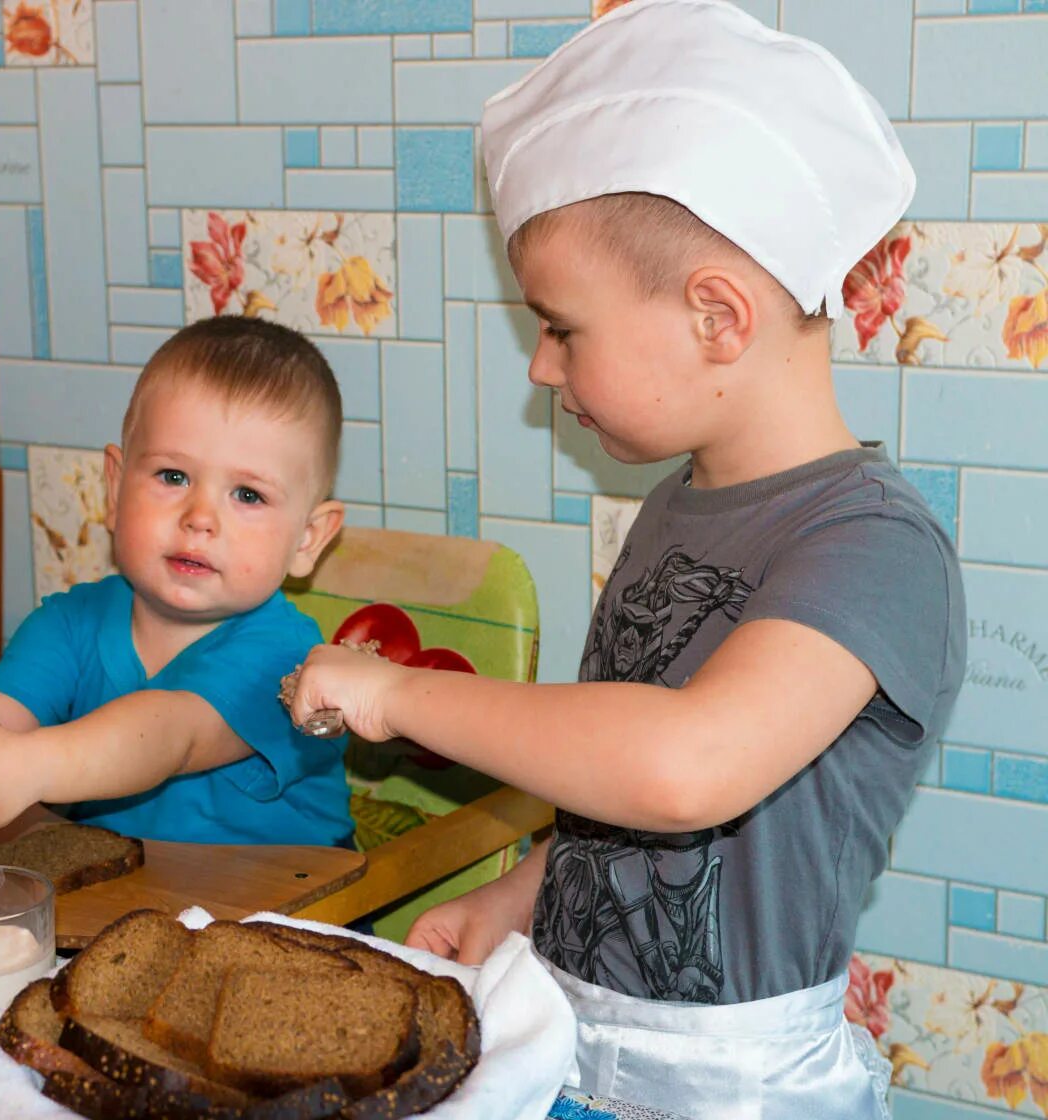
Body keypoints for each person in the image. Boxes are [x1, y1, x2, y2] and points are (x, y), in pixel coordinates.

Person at [285, 2, 965, 1117]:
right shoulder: (671, 508)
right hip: (565, 1045)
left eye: (561, 326)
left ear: (716, 317)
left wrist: (400, 694)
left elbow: (683, 769)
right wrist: (521, 892)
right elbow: (624, 790)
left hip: (730, 1092)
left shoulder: (876, 548)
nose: (543, 367)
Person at [0, 317, 352, 848]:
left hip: (291, 920)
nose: (200, 517)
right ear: (115, 487)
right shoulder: (67, 623)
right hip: (122, 909)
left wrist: (29, 766)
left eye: (247, 495)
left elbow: (169, 734)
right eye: (174, 477)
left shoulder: (292, 662)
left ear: (309, 539)